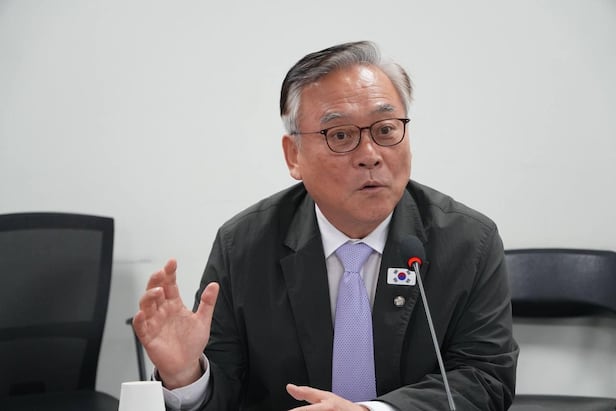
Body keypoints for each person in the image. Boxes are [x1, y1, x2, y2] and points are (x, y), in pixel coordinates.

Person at [133, 40, 519, 410]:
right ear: (294, 156)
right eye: (341, 135)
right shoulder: (243, 247)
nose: (370, 155)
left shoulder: (469, 242)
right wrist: (184, 375)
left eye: (385, 129)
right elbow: (225, 393)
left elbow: (484, 378)